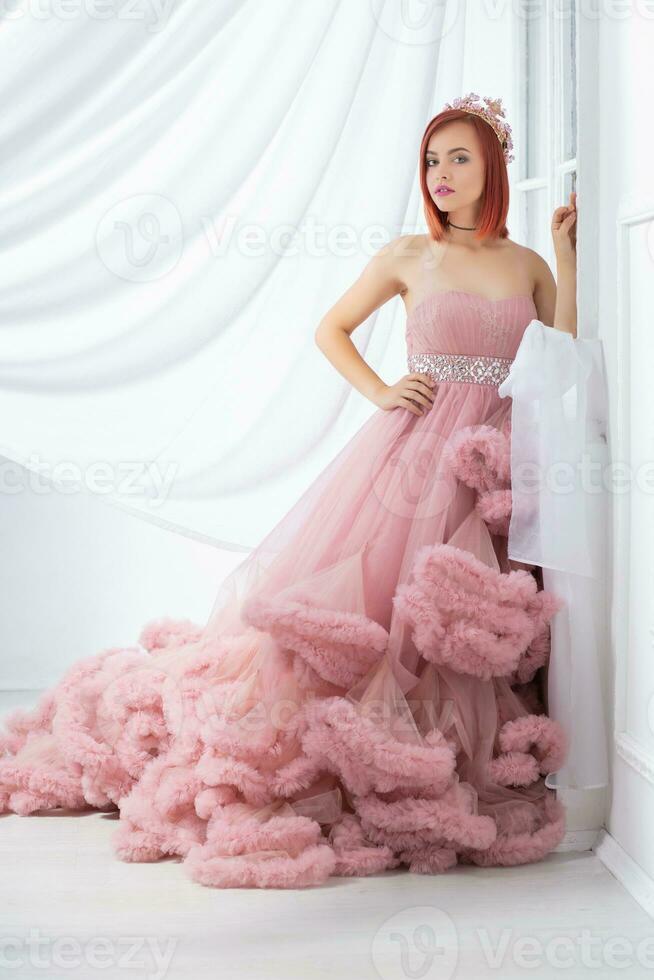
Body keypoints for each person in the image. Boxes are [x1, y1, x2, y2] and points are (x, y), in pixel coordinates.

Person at [0, 94, 579, 889]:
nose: (442, 175)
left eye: (460, 159)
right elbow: (330, 330)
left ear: (493, 169)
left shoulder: (526, 266)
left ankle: (462, 751)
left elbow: (560, 353)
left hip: (494, 460)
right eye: (433, 160)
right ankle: (380, 753)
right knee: (388, 616)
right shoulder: (410, 255)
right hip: (413, 461)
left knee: (471, 625)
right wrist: (382, 390)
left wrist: (565, 258)